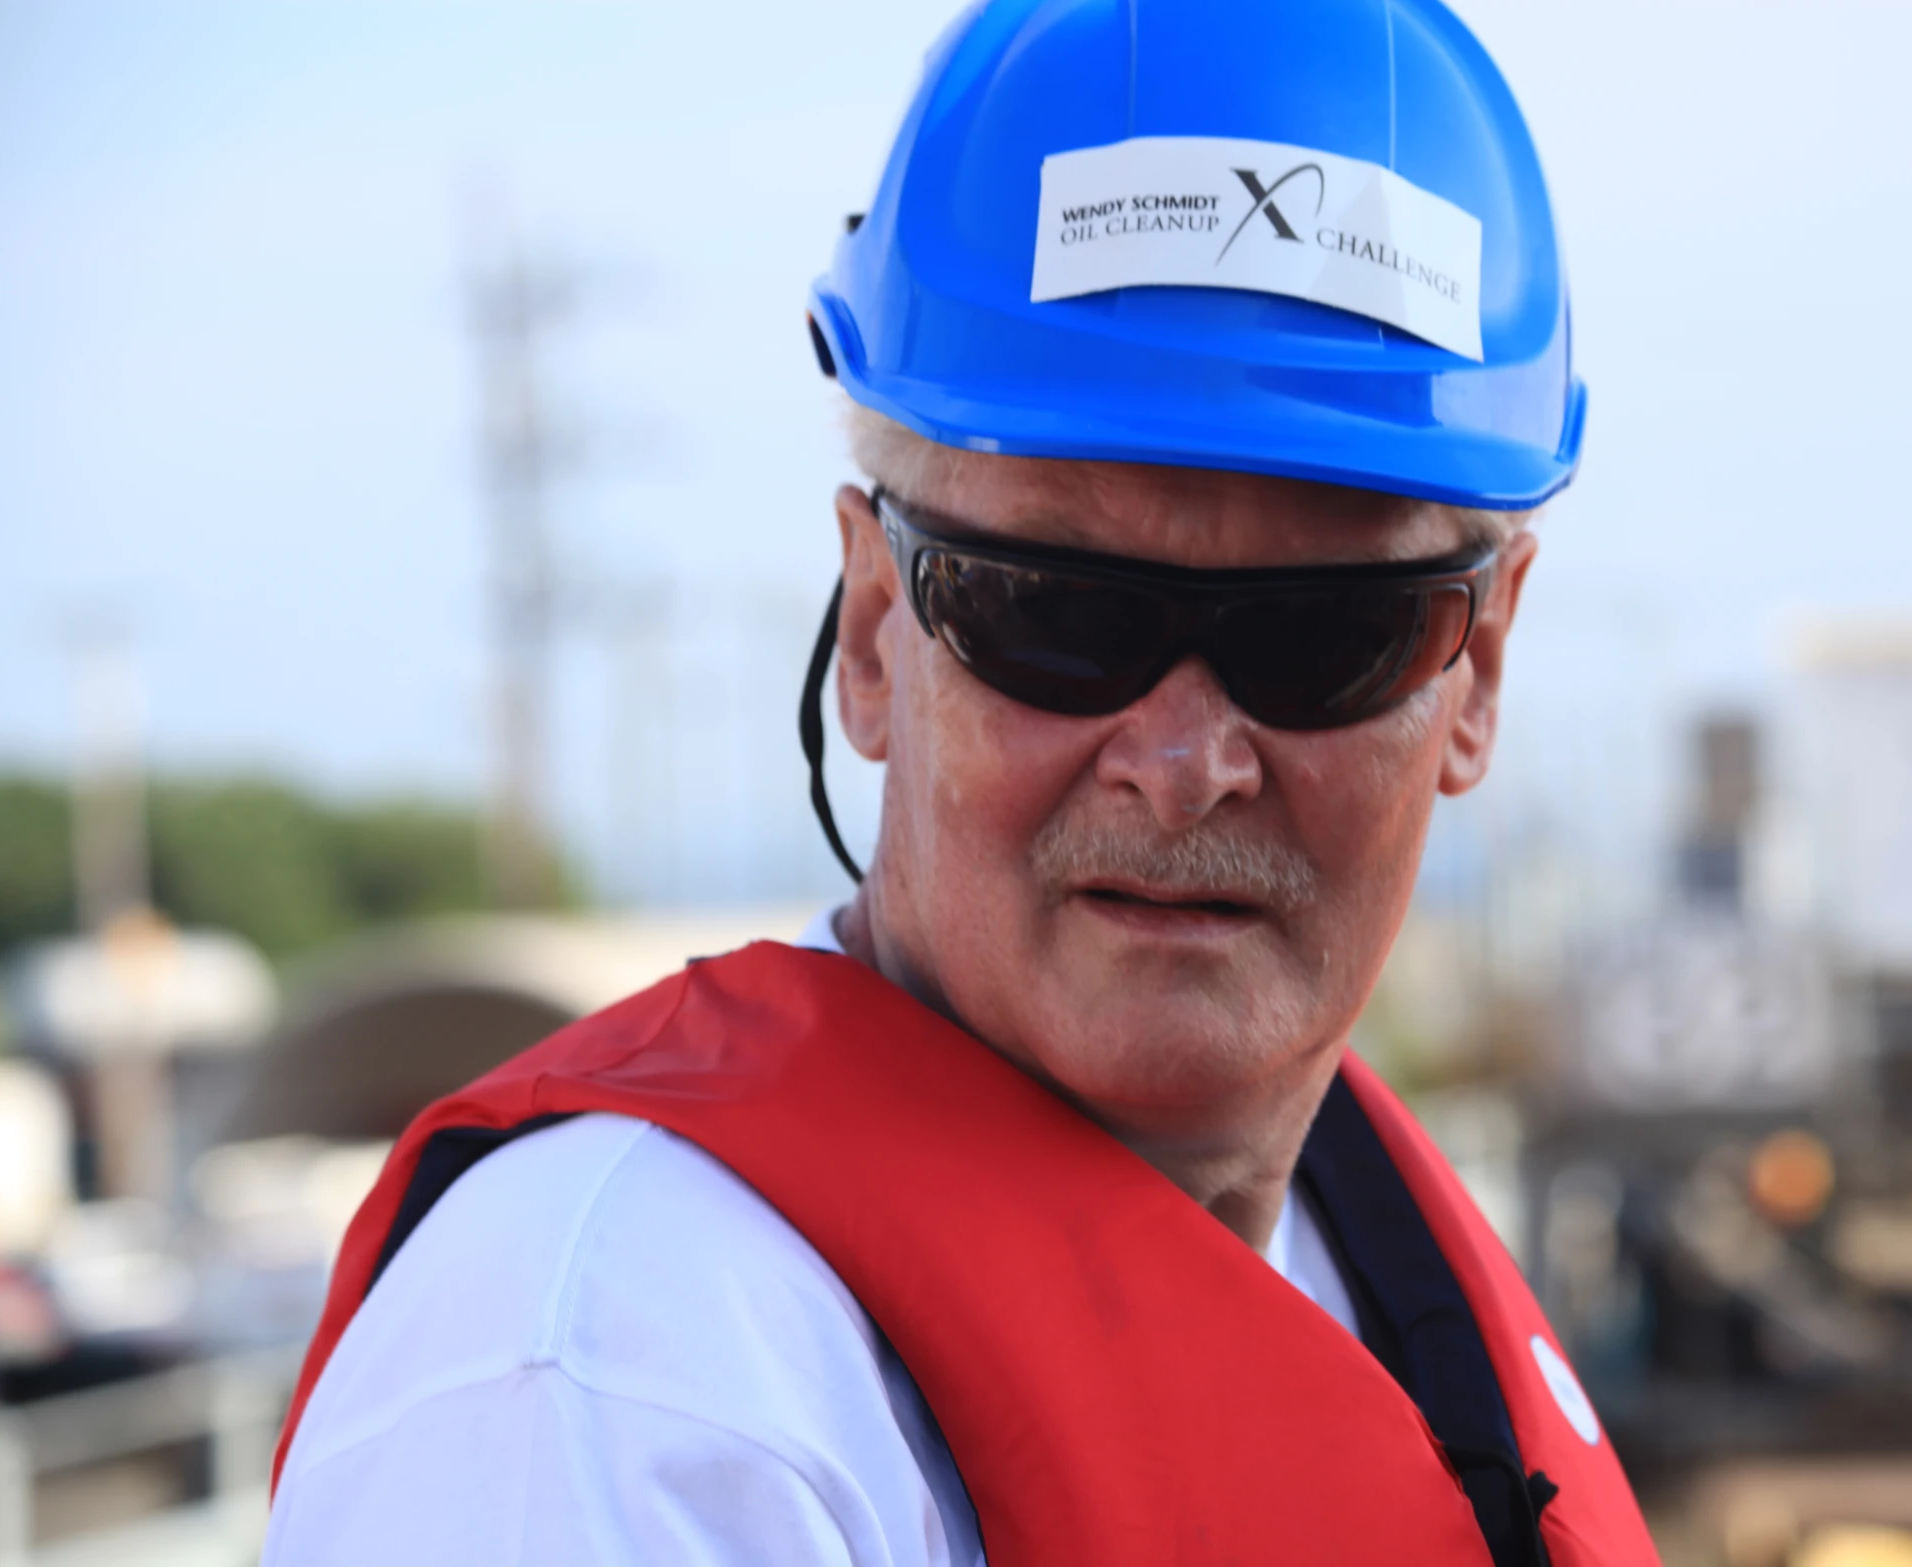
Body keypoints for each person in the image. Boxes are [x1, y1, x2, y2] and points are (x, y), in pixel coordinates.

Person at [265, 0, 1658, 1563]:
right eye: (1056, 614)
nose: (1186, 764)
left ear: (1472, 673)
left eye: (1330, 637)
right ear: (872, 633)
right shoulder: (619, 1383)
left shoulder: (1381, 1272)